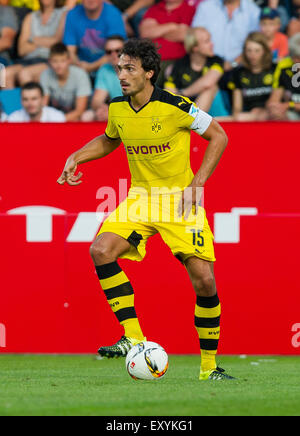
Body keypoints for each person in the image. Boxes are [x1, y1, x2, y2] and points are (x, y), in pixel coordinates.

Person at [57, 38, 235, 381]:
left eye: (129, 69)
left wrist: (197, 183)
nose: (121, 75)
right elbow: (111, 138)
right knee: (100, 249)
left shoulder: (176, 105)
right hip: (140, 197)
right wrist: (76, 156)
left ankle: (209, 367)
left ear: (149, 72)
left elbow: (219, 136)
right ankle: (133, 336)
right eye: (119, 68)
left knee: (204, 282)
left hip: (179, 201)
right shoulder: (117, 107)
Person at [5, 0, 67, 89]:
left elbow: (57, 42)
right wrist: (46, 41)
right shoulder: (30, 17)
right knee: (4, 74)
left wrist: (32, 40)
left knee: (24, 74)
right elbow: (21, 50)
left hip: (49, 60)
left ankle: (32, 102)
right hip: (27, 60)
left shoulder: (64, 13)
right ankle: (11, 103)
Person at [164, 27, 224, 113]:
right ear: (195, 47)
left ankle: (194, 119)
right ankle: (192, 121)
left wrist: (183, 94)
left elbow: (208, 82)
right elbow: (169, 93)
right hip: (185, 112)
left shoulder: (216, 60)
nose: (212, 44)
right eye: (207, 41)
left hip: (217, 116)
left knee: (211, 87)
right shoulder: (179, 65)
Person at [191, 0, 261, 71]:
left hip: (239, 70)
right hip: (207, 67)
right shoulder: (206, 7)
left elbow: (254, 42)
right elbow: (194, 38)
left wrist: (233, 63)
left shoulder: (253, 11)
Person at [139, 0, 195, 86]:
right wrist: (172, 26)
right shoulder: (155, 9)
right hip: (149, 58)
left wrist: (156, 28)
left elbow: (182, 35)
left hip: (175, 61)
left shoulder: (189, 9)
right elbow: (145, 33)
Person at [63, 0, 127, 75]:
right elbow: (70, 50)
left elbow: (115, 52)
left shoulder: (113, 14)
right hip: (80, 67)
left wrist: (90, 67)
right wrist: (79, 65)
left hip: (109, 69)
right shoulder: (72, 14)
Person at [227, 32, 276, 121]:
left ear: (265, 51)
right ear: (244, 52)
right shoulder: (238, 73)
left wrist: (262, 111)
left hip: (270, 115)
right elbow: (237, 108)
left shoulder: (275, 69)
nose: (252, 55)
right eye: (249, 50)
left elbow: (277, 102)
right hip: (247, 117)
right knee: (238, 117)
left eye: (257, 50)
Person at [40, 42, 92, 121]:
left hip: (75, 117)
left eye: (62, 61)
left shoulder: (80, 75)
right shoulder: (45, 74)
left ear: (69, 61)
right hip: (55, 116)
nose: (59, 65)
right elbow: (43, 106)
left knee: (85, 117)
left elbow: (80, 110)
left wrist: (59, 120)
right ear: (49, 61)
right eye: (55, 61)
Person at [81, 35, 124, 122]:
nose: (113, 54)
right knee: (87, 116)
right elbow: (96, 102)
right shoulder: (105, 69)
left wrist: (112, 111)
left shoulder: (134, 69)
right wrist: (104, 109)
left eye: (118, 50)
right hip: (115, 108)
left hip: (134, 111)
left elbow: (137, 104)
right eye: (109, 52)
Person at [267, 33, 300, 120]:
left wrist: (289, 105)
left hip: (291, 107)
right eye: (296, 57)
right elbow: (274, 97)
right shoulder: (283, 66)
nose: (297, 61)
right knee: (275, 114)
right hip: (293, 112)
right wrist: (274, 107)